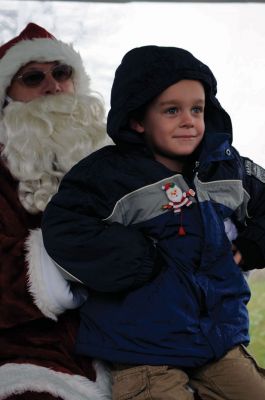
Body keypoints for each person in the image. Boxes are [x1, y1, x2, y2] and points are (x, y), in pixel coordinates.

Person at [42, 45, 265, 400]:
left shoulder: (226, 168)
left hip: (218, 341)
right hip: (143, 350)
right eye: (172, 110)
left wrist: (250, 248)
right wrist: (138, 259)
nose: (189, 120)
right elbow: (65, 226)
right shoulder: (108, 175)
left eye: (197, 109)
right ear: (138, 119)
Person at [0, 22, 111, 399]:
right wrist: (59, 261)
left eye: (61, 72)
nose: (53, 85)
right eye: (33, 78)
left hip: (133, 344)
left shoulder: (118, 157)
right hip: (27, 356)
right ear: (7, 98)